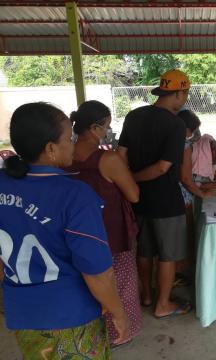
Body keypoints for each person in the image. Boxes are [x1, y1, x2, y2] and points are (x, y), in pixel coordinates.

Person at [0, 102, 129, 358]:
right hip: (70, 316)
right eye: (69, 137)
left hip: (22, 314)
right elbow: (98, 274)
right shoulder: (75, 195)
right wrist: (119, 313)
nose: (74, 142)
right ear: (50, 149)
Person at [65, 100, 143, 345]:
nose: (109, 131)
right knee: (120, 282)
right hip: (110, 231)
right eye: (107, 126)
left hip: (75, 231)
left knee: (85, 283)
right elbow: (134, 195)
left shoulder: (62, 157)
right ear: (94, 128)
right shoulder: (107, 159)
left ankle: (91, 334)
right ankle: (119, 334)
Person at [118, 69, 191, 318]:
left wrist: (129, 181)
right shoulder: (176, 124)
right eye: (185, 94)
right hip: (166, 202)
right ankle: (163, 304)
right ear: (179, 93)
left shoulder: (133, 115)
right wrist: (134, 178)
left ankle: (147, 296)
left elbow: (120, 155)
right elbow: (163, 167)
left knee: (145, 250)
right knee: (168, 255)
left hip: (138, 200)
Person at [176, 109, 216, 277]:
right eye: (192, 131)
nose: (192, 135)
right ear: (187, 129)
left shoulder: (165, 141)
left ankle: (177, 272)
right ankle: (183, 272)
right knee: (184, 237)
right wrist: (202, 194)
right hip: (181, 198)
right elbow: (185, 178)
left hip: (166, 196)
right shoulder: (184, 146)